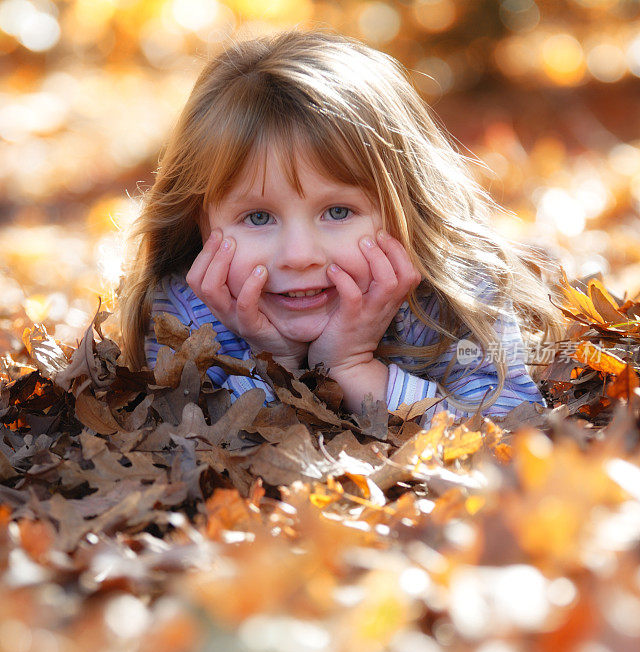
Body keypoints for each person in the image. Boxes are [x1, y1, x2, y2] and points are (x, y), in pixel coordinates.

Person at [119, 29, 564, 427]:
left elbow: (511, 429)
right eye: (258, 217)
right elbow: (180, 441)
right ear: (200, 221)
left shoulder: (456, 296)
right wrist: (277, 363)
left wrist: (352, 370)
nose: (299, 255)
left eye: (337, 212)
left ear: (405, 205)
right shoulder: (186, 313)